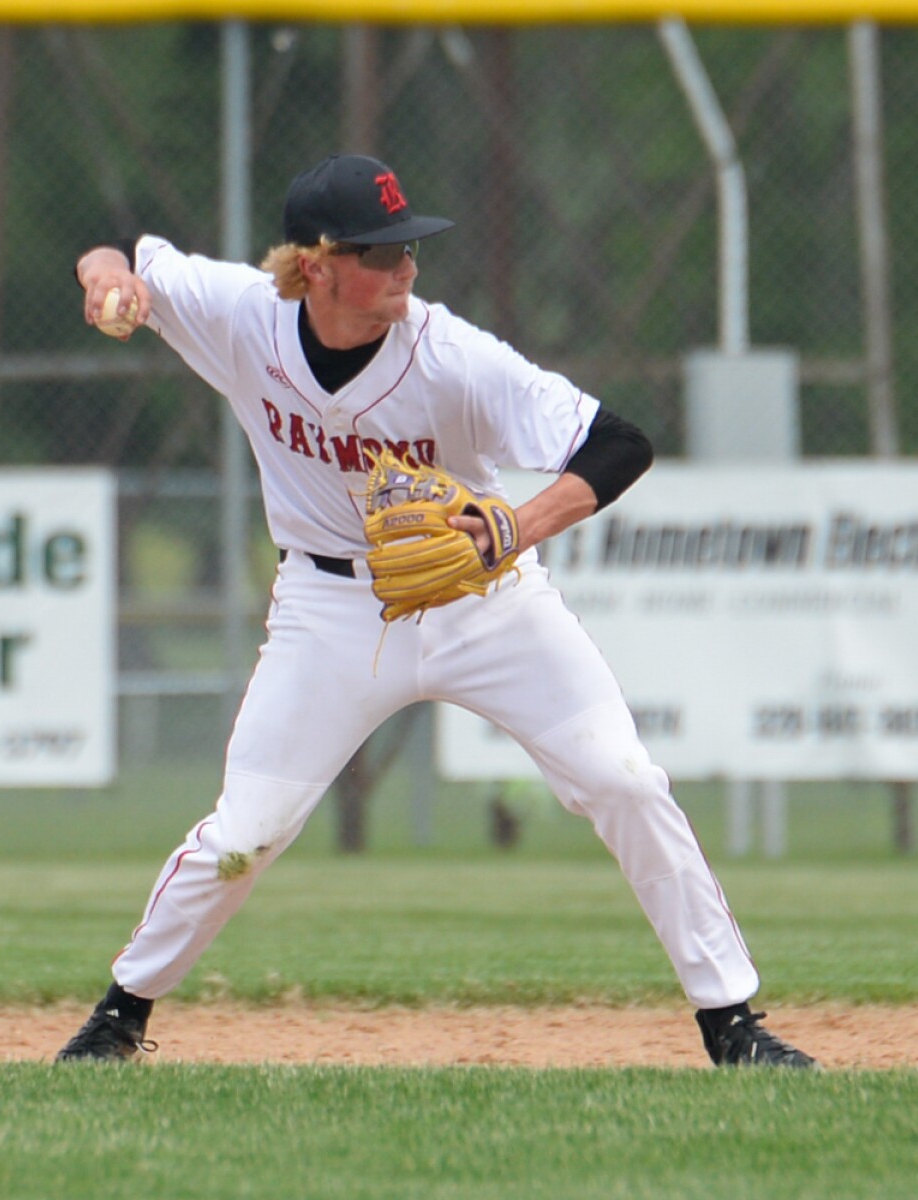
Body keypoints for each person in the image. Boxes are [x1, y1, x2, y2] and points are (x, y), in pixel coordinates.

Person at [57, 153, 815, 1069]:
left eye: (410, 246)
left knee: (622, 780)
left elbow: (621, 444)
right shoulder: (241, 315)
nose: (409, 267)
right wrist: (107, 282)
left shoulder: (452, 357)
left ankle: (731, 1023)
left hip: (486, 600)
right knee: (244, 835)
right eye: (385, 252)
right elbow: (124, 253)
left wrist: (517, 529)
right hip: (329, 610)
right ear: (320, 264)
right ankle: (118, 1019)